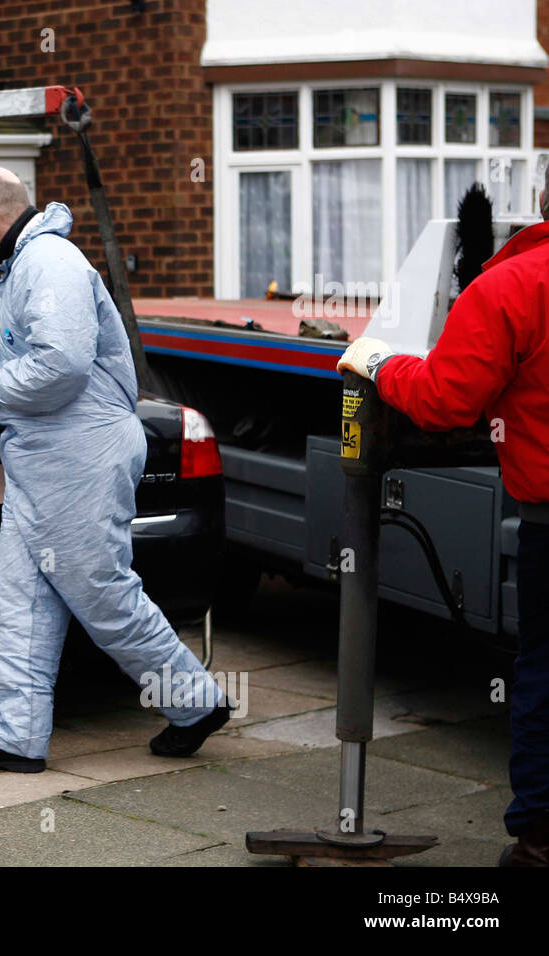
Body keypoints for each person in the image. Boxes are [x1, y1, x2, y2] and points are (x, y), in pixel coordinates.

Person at [0, 167, 229, 773]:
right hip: (49, 460)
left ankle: (196, 702)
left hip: (79, 457)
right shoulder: (31, 263)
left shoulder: (48, 263)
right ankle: (17, 736)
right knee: (19, 602)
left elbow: (63, 365)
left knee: (101, 594)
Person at [337, 183, 549, 867]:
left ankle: (541, 842)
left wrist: (377, 361)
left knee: (544, 674)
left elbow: (445, 400)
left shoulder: (513, 286)